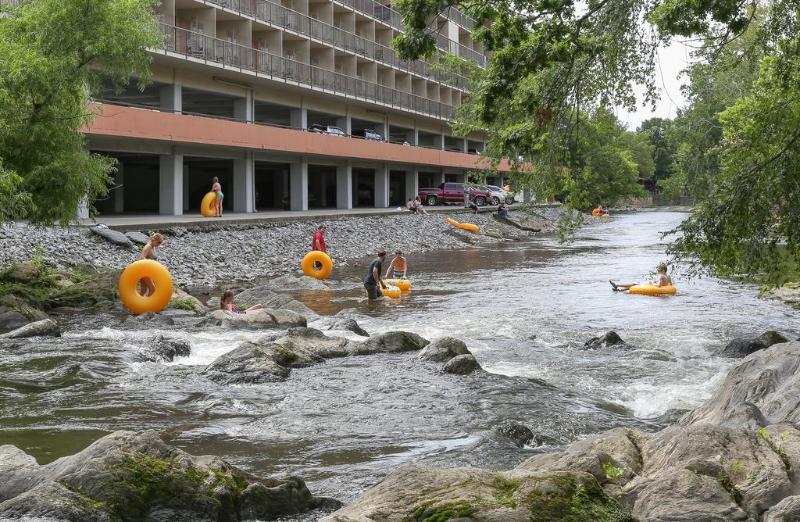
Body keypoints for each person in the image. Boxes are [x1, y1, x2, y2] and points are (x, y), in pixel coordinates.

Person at [140, 232, 163, 296]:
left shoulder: (153, 247)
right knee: (152, 289)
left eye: (160, 243)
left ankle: (136, 304)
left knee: (143, 290)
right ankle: (147, 304)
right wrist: (149, 265)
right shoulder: (148, 247)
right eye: (159, 242)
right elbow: (142, 258)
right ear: (154, 240)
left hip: (150, 271)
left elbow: (153, 259)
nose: (159, 244)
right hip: (144, 271)